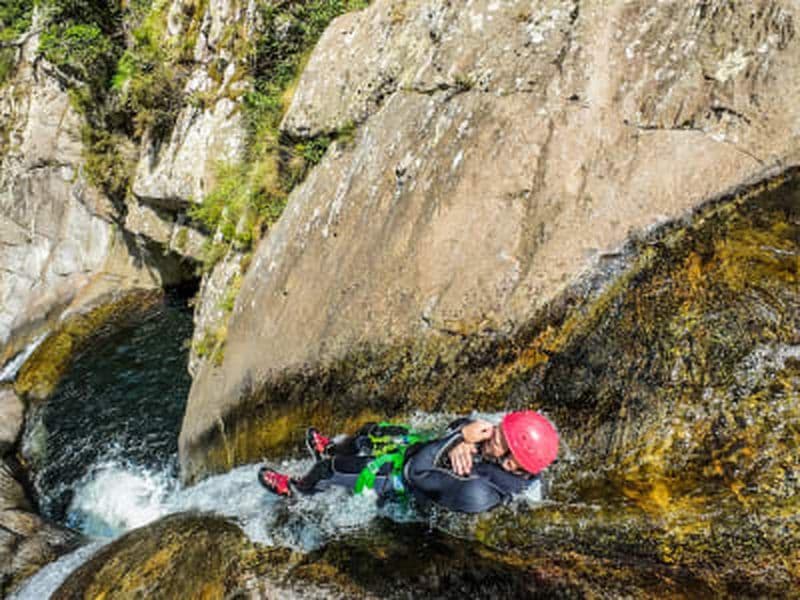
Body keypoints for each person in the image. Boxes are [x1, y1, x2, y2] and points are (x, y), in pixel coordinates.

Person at [258, 410, 559, 514]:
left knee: (327, 472)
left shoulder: (478, 491)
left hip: (404, 483)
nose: (489, 432)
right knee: (370, 432)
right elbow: (459, 424)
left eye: (497, 438)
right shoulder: (520, 463)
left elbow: (415, 473)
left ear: (511, 464)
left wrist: (457, 438)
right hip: (426, 456)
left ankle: (296, 492)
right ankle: (334, 450)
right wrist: (464, 437)